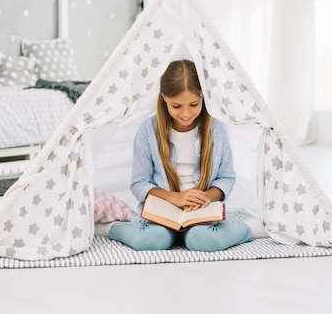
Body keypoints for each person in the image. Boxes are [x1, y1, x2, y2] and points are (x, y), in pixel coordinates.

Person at [106, 59, 256, 251]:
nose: (186, 113)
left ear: (203, 97)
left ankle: (248, 228)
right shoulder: (148, 131)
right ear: (163, 99)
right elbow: (139, 183)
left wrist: (206, 197)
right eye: (176, 106)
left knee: (203, 241)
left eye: (194, 104)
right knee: (152, 240)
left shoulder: (216, 129)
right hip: (163, 211)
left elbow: (226, 178)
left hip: (199, 212)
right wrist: (174, 198)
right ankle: (114, 228)